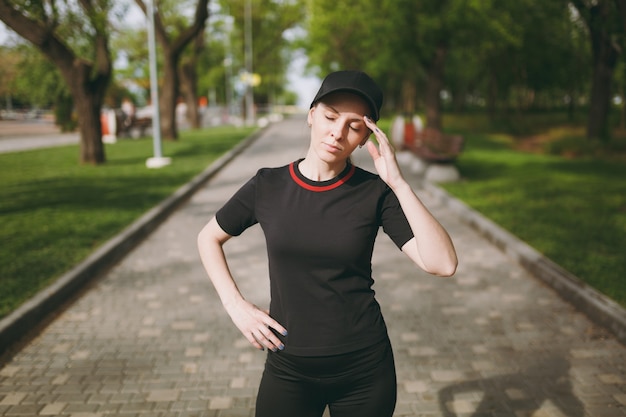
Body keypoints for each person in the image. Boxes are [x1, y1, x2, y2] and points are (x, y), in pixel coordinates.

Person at [197, 70, 458, 417]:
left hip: (364, 369)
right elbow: (208, 237)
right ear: (311, 115)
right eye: (330, 117)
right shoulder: (267, 186)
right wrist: (236, 306)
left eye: (354, 125)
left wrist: (398, 183)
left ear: (366, 137)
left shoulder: (375, 193)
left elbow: (442, 263)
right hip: (288, 368)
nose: (337, 132)